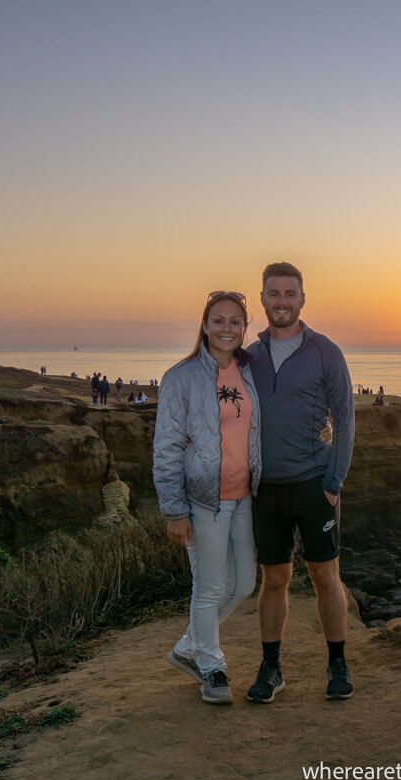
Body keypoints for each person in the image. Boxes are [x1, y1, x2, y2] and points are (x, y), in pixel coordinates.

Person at [244, 262, 355, 704]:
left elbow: (345, 420)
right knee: (274, 580)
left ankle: (338, 664)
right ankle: (271, 669)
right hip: (264, 489)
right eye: (274, 293)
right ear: (263, 299)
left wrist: (333, 484)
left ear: (303, 299)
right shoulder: (248, 356)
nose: (282, 301)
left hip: (314, 483)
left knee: (326, 576)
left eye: (291, 293)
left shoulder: (325, 351)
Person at [153, 290, 261, 705]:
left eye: (235, 322)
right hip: (203, 500)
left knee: (244, 583)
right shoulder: (181, 378)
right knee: (210, 585)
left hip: (244, 496)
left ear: (244, 328)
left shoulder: (249, 371)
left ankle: (187, 648)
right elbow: (165, 449)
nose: (227, 329)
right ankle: (212, 668)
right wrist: (174, 511)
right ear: (204, 325)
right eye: (218, 320)